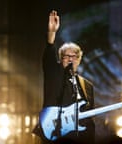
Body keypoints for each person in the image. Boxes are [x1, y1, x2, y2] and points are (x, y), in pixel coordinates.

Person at [33, 10, 95, 144]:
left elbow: (89, 117)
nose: (71, 59)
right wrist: (52, 33)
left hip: (79, 138)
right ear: (60, 59)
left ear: (79, 60)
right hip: (55, 134)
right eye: (67, 56)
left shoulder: (87, 86)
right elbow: (49, 53)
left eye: (74, 56)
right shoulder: (54, 73)